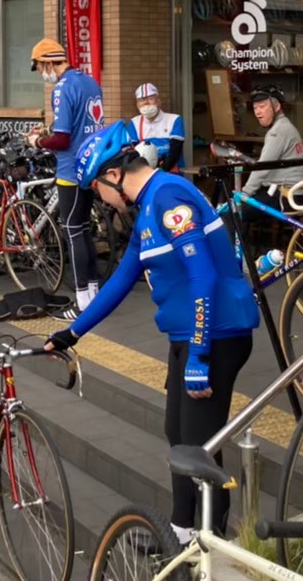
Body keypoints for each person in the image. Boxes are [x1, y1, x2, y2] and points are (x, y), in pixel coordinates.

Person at [46, 121, 258, 544]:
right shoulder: (148, 207)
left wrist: (199, 354)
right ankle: (182, 530)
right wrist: (72, 333)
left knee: (197, 443)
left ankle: (212, 540)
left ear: (113, 174)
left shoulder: (168, 197)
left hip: (216, 336)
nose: (100, 200)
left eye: (96, 190)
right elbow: (121, 281)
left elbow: (203, 276)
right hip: (189, 336)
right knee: (177, 433)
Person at [24, 38, 105, 319]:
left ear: (47, 63)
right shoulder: (90, 82)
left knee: (73, 231)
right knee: (85, 230)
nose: (41, 74)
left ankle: (82, 301)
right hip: (91, 166)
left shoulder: (62, 88)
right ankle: (93, 293)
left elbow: (62, 139)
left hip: (70, 168)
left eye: (39, 67)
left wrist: (37, 141)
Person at [240, 86, 303, 259]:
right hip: (290, 193)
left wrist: (244, 194)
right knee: (247, 208)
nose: (258, 112)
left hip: (285, 196)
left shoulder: (279, 131)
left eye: (262, 106)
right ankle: (256, 256)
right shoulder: (284, 127)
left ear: (276, 107)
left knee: (235, 211)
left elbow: (263, 167)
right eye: (255, 108)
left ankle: (245, 260)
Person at [125, 82, 185, 172]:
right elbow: (133, 152)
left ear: (159, 101)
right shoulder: (134, 123)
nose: (146, 102)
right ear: (137, 104)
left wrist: (163, 169)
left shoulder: (174, 120)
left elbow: (175, 151)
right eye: (141, 100)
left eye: (150, 98)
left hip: (171, 173)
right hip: (145, 173)